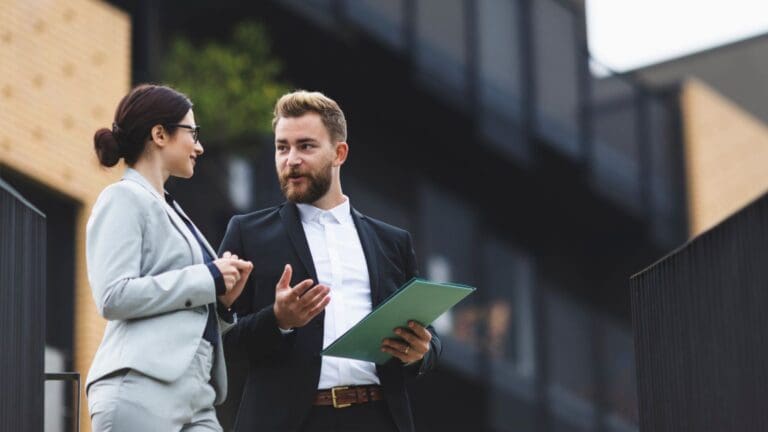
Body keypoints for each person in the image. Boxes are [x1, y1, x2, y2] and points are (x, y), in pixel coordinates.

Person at [220, 90, 441, 432]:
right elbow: (219, 339)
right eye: (282, 147)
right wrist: (278, 320)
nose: (291, 159)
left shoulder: (392, 242)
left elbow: (427, 336)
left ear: (339, 153)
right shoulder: (247, 233)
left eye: (305, 146)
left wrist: (421, 351)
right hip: (290, 422)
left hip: (377, 417)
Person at [85, 83, 253, 431]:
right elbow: (113, 295)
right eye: (193, 132)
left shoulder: (172, 209)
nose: (200, 146)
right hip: (141, 388)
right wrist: (208, 278)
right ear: (159, 134)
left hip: (198, 396)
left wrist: (221, 303)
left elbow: (184, 312)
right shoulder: (122, 198)